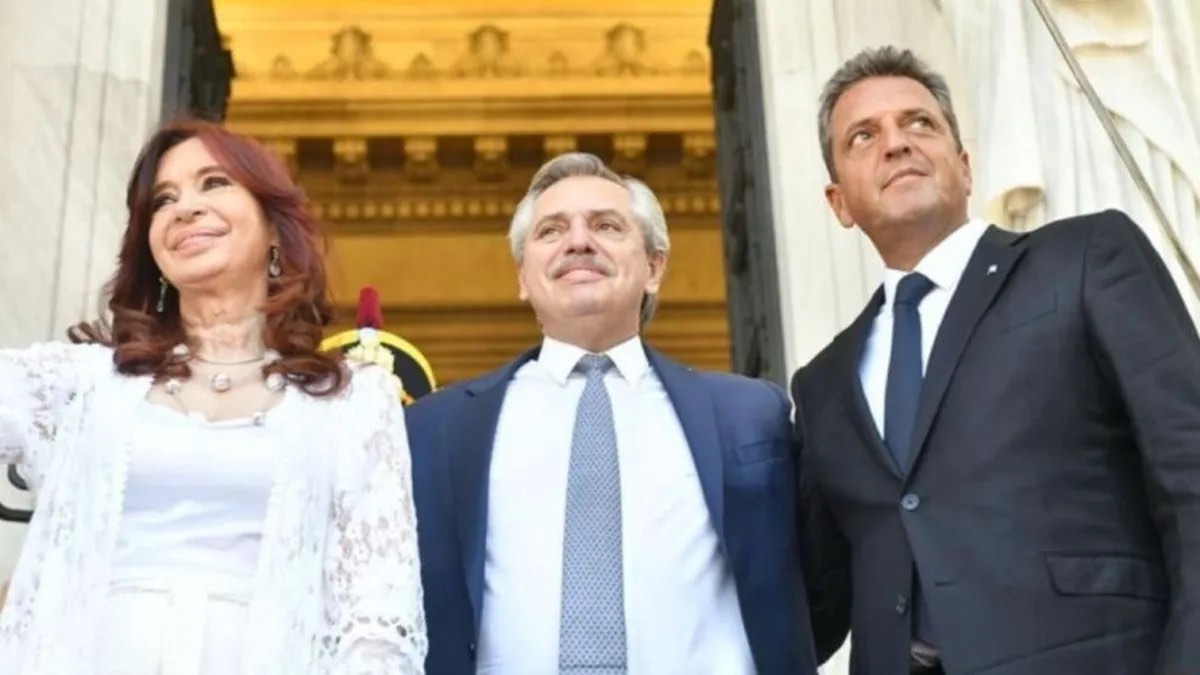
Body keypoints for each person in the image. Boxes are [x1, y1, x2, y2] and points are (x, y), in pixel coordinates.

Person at [792, 45, 1200, 675]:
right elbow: (812, 604)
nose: (897, 144)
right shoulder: (822, 385)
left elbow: (1190, 474)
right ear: (838, 202)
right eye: (863, 136)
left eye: (919, 122)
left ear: (965, 167)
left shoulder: (1085, 257)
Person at [0, 120, 427, 673]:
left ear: (274, 229)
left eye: (214, 183)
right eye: (164, 200)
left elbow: (377, 613)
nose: (185, 208)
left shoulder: (351, 401)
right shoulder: (84, 384)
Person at [407, 153, 817, 674]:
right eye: (552, 230)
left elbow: (813, 586)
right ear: (522, 276)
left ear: (654, 267)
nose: (579, 242)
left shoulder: (751, 415)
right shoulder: (435, 430)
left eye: (606, 225)